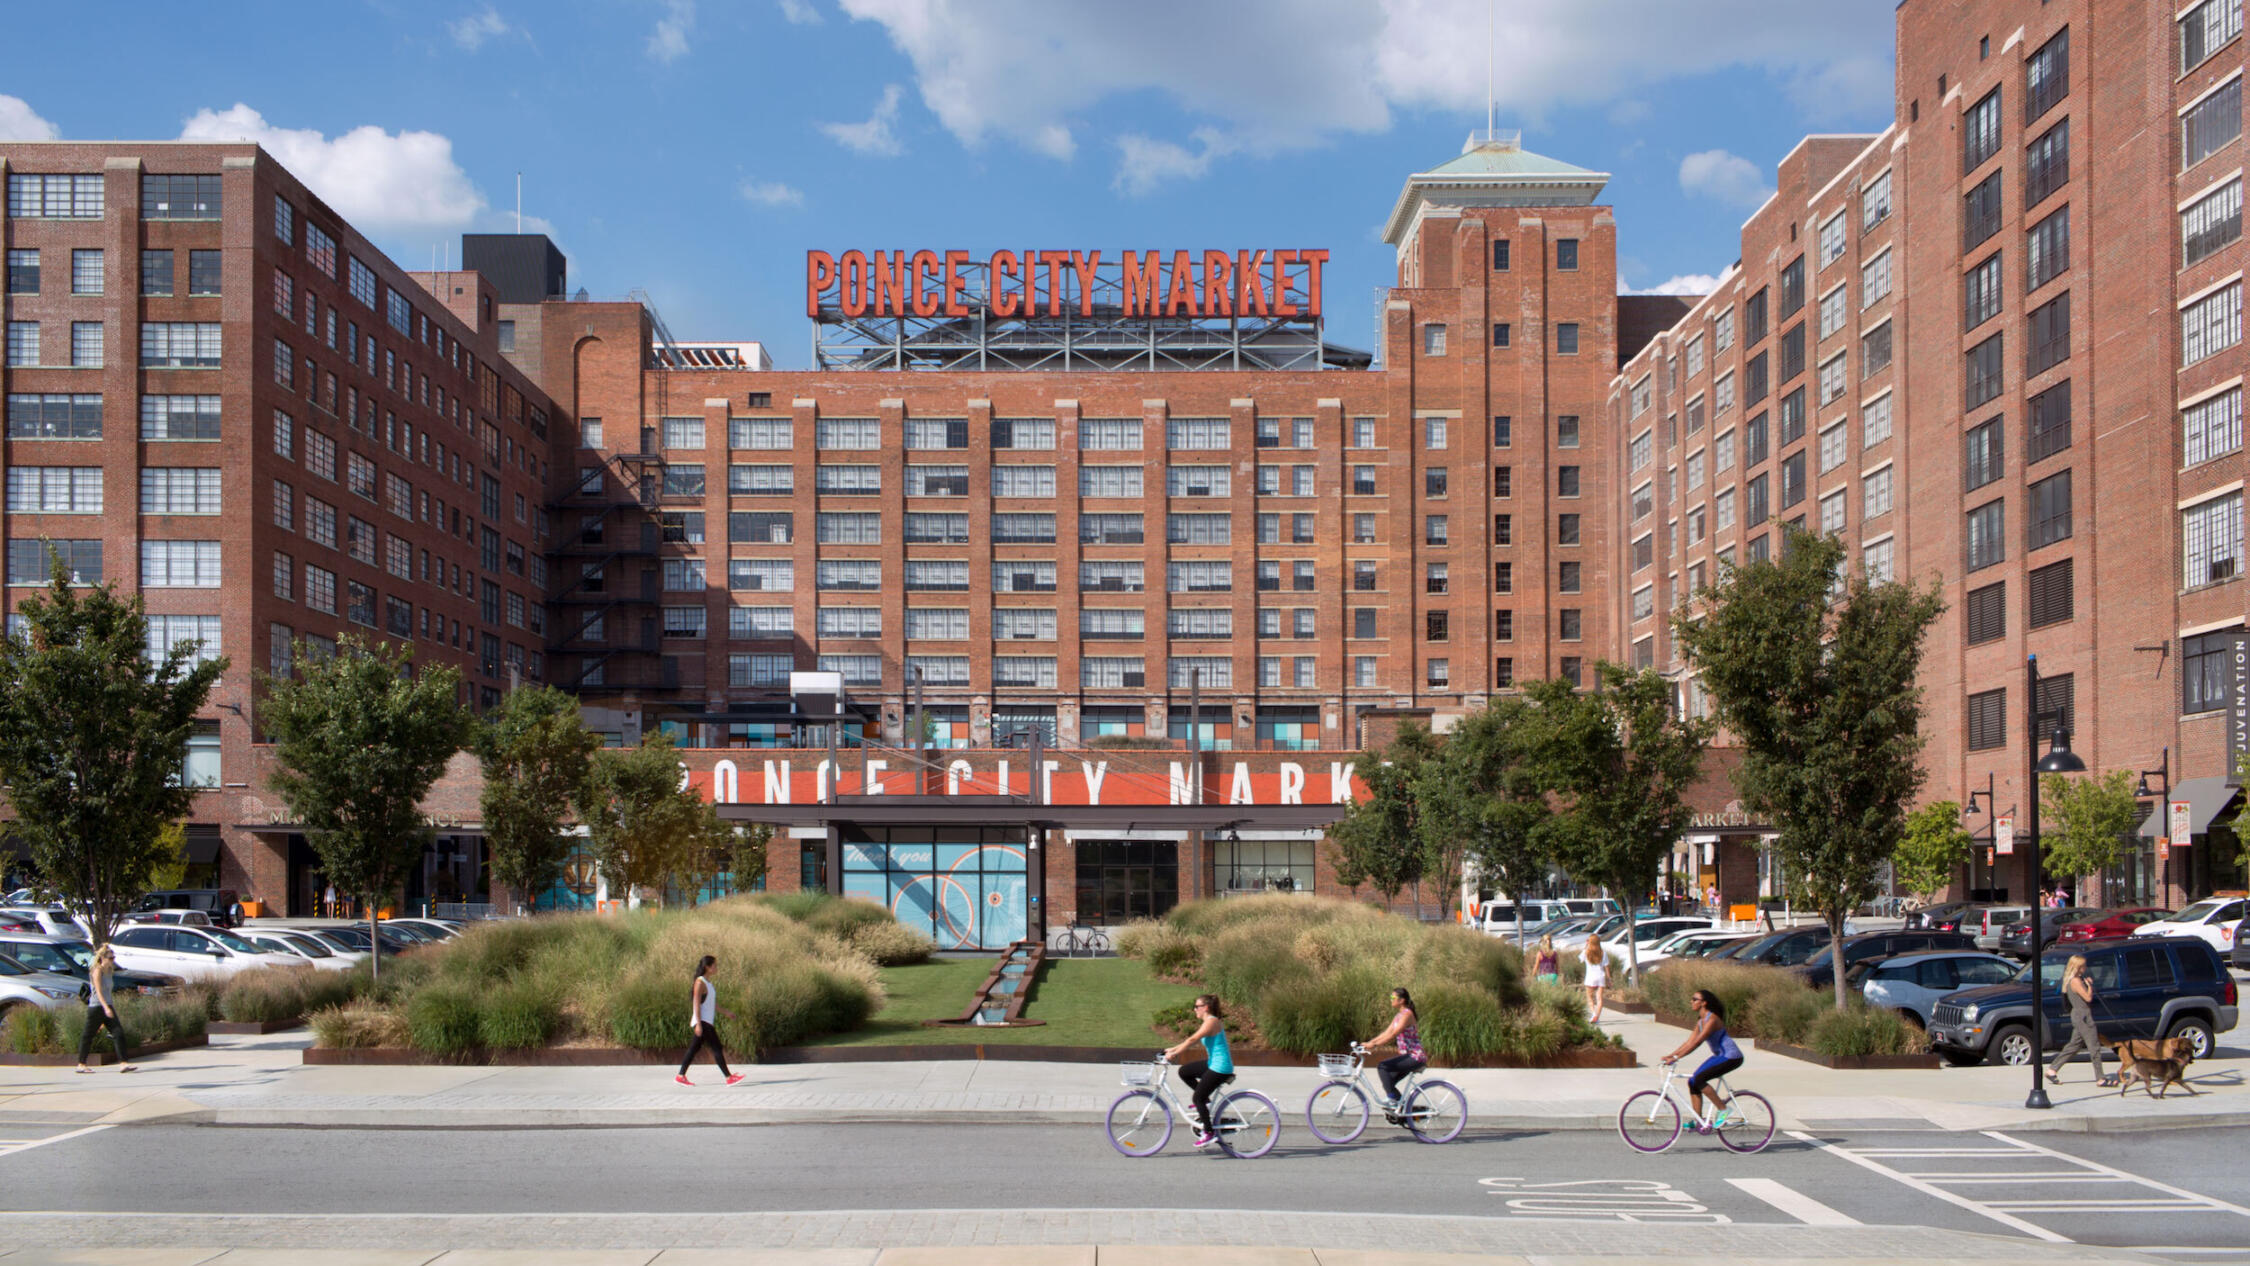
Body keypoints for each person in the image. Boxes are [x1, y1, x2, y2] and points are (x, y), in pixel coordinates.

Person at [1661, 988, 1742, 1130]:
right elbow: (1689, 1042)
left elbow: (1698, 1042)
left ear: (1703, 1003)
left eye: (1694, 999)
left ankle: (1724, 1109)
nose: (1691, 1001)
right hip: (1720, 1056)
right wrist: (1671, 1055)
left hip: (1731, 1057)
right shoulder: (1700, 1021)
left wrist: (1676, 1058)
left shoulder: (1712, 1019)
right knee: (1693, 1082)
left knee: (1699, 1079)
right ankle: (1698, 1120)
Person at [1162, 993, 1233, 1148]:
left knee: (1197, 1099)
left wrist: (1174, 1053)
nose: (1195, 1009)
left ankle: (1209, 1133)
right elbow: (1190, 1039)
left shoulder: (1212, 1022)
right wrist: (1172, 1049)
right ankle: (1205, 1102)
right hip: (1213, 1063)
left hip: (1220, 1067)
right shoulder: (1208, 1021)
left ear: (1205, 1007)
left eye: (1197, 1006)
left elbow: (1192, 1040)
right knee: (1184, 1072)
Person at [675, 955, 745, 1087]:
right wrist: (699, 1024)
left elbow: (711, 1004)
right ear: (707, 967)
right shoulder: (700, 982)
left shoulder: (708, 983)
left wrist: (727, 1013)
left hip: (706, 1021)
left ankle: (680, 1075)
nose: (716, 968)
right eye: (714, 965)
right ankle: (729, 1077)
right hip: (703, 1022)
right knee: (716, 1047)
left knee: (694, 1049)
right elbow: (696, 1003)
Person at [2046, 954, 2111, 1087]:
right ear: (2078, 967)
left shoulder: (2071, 979)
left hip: (2077, 1014)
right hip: (2083, 1016)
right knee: (2094, 1047)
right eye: (2083, 966)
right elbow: (2088, 998)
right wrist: (2089, 986)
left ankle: (2052, 1069)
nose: (2085, 968)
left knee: (2074, 1046)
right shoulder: (2075, 981)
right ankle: (2101, 1078)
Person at [1362, 987, 1426, 1116]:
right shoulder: (1399, 1015)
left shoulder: (1407, 1014)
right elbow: (1387, 1032)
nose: (1390, 1000)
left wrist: (1374, 1045)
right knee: (1388, 1081)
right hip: (1407, 1056)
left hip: (1415, 1056)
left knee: (1383, 1067)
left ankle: (1394, 1100)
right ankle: (1403, 1111)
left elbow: (1393, 1034)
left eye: (1393, 997)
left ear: (1401, 1000)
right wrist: (1370, 1042)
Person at [74, 945, 135, 1074]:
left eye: (114, 958)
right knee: (88, 1035)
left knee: (118, 1033)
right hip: (97, 1006)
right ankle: (81, 1064)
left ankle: (123, 1063)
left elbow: (108, 992)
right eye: (110, 958)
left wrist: (108, 1007)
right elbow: (98, 991)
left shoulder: (108, 971)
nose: (112, 960)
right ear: (102, 958)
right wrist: (106, 1008)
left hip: (107, 1005)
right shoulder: (97, 970)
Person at [1582, 935, 1609, 1022]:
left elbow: (1580, 959)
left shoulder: (1586, 952)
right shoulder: (1603, 953)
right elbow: (1606, 966)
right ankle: (1597, 1016)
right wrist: (1609, 978)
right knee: (1599, 998)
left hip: (1590, 977)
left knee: (1590, 998)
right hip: (1600, 976)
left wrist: (1586, 945)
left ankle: (1594, 1013)